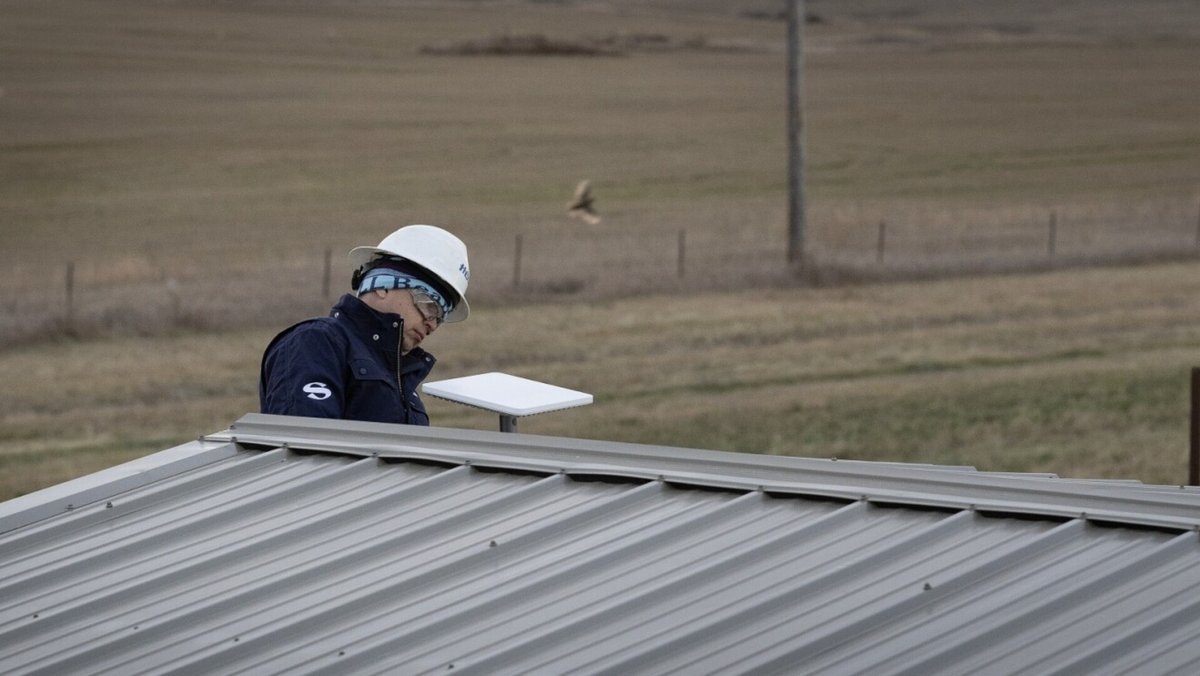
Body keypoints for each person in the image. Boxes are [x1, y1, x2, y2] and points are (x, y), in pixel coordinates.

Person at [259, 224, 470, 425]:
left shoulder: (403, 382)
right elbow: (302, 448)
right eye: (430, 307)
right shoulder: (315, 344)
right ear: (383, 286)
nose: (432, 325)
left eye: (440, 318)